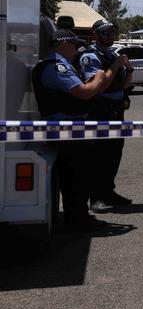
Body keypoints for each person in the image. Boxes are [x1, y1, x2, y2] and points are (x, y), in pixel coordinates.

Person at [31, 29, 130, 231]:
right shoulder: (56, 67)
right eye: (75, 46)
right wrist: (100, 78)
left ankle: (77, 217)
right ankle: (78, 220)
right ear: (64, 44)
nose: (77, 51)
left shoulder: (57, 64)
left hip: (69, 128)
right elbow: (84, 92)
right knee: (77, 176)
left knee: (75, 175)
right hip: (67, 129)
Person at [78, 19, 134, 211]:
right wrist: (117, 65)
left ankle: (108, 191)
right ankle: (95, 197)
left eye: (111, 32)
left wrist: (129, 70)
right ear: (95, 34)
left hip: (116, 109)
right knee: (97, 154)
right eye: (105, 33)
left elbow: (124, 85)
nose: (110, 36)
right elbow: (98, 85)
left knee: (113, 152)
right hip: (99, 110)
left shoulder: (111, 54)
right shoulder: (90, 56)